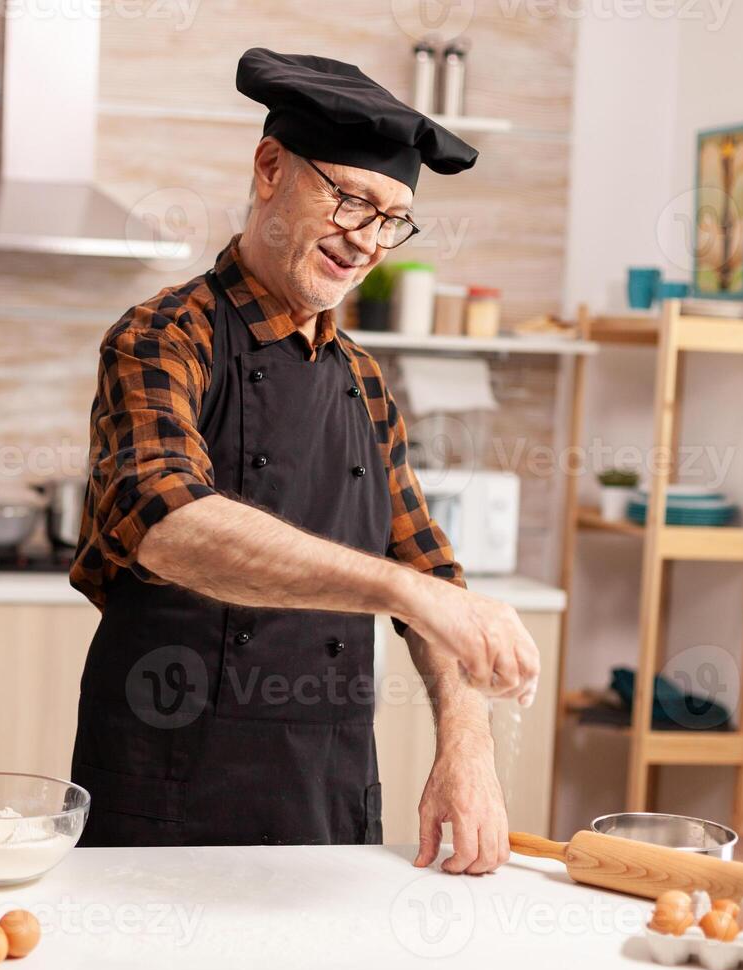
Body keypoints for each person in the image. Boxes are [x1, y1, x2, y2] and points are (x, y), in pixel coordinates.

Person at [68, 49, 540, 874]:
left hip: (329, 796)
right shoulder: (163, 337)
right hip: (167, 798)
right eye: (352, 199)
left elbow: (433, 577)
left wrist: (467, 749)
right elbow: (169, 524)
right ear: (269, 169)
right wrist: (401, 589)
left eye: (392, 218)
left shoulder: (361, 377)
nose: (367, 242)